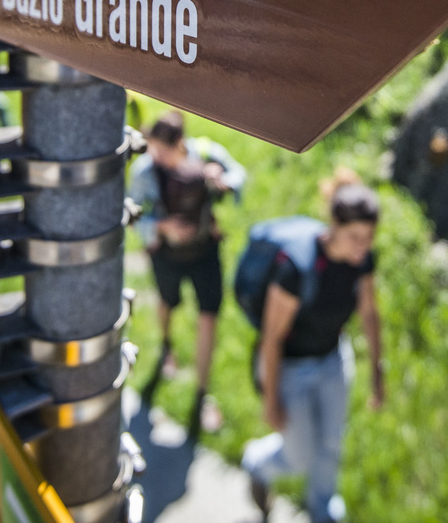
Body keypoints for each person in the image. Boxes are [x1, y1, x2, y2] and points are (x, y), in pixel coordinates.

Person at [241, 170, 385, 523]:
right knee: (299, 456)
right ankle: (258, 464)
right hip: (291, 369)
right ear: (334, 226)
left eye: (368, 238)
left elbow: (368, 312)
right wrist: (271, 399)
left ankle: (322, 511)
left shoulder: (362, 260)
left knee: (331, 445)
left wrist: (378, 371)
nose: (362, 247)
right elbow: (272, 340)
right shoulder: (297, 268)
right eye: (354, 237)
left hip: (333, 359)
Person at [128, 110, 246, 433]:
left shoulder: (206, 153)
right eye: (153, 149)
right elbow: (132, 214)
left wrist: (220, 178)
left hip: (205, 249)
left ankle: (202, 392)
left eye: (163, 151)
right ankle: (167, 346)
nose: (157, 157)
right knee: (168, 303)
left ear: (180, 144)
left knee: (209, 315)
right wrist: (163, 227)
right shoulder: (145, 171)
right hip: (165, 254)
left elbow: (240, 176)